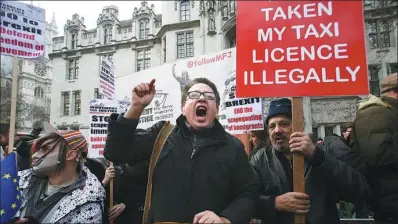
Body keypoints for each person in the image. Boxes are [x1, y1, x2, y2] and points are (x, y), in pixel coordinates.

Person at [104, 78, 258, 223]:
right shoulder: (160, 135)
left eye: (209, 96)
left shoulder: (233, 147)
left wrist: (225, 219)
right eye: (194, 95)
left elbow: (248, 194)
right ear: (183, 108)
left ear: (217, 109)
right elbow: (115, 151)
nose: (202, 98)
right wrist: (136, 107)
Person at [250, 98, 370, 224]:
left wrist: (317, 156)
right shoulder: (259, 161)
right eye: (272, 126)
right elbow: (244, 202)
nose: (277, 130)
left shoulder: (324, 151)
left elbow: (359, 190)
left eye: (284, 124)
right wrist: (274, 203)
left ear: (300, 125)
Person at [12, 130, 105, 223]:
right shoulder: (18, 181)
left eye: (44, 149)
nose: (35, 155)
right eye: (37, 150)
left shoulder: (88, 202)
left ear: (70, 155)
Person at [349, 73, 398, 223]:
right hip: (388, 201)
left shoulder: (388, 113)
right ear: (395, 91)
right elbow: (377, 155)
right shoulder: (375, 112)